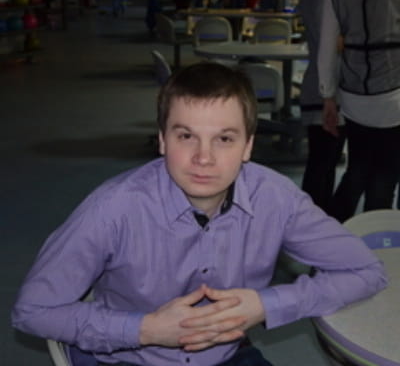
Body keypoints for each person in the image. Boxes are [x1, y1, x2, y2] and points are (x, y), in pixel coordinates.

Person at [12, 62, 387, 366]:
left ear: (248, 146)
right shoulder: (111, 209)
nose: (203, 158)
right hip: (132, 357)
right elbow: (32, 311)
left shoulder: (276, 198)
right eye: (186, 136)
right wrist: (147, 329)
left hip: (227, 356)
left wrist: (266, 304)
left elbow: (365, 271)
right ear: (162, 140)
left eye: (224, 138)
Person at [318, 0, 400, 222]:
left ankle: (329, 240)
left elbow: (327, 41)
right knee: (385, 177)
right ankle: (374, 242)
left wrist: (328, 95)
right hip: (394, 92)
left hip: (353, 92)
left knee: (357, 171)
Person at [297, 0, 346, 213]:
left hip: (335, 86)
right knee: (321, 162)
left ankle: (321, 218)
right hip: (322, 88)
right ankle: (310, 221)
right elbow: (329, 40)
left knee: (328, 162)